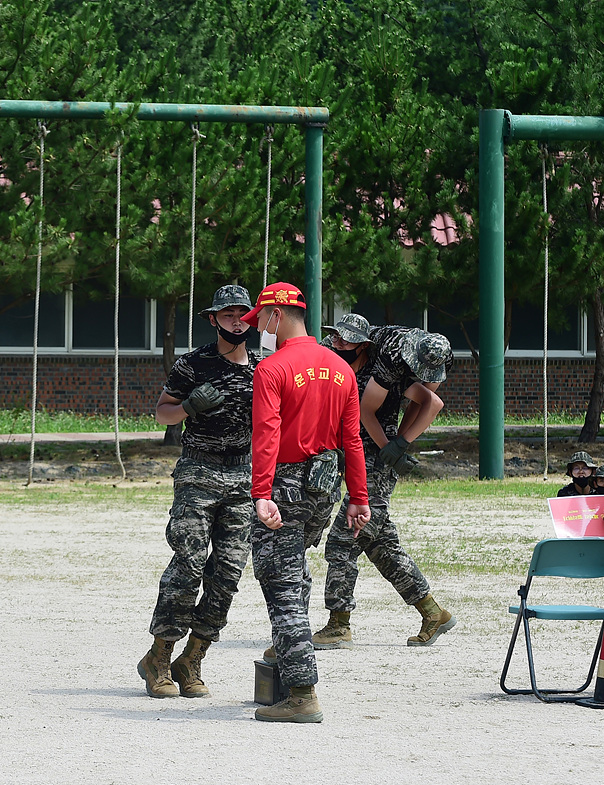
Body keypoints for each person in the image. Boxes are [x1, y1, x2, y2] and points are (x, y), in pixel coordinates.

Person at [245, 282, 370, 723]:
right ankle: (283, 665)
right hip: (324, 486)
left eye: (259, 318)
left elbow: (267, 435)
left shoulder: (272, 368)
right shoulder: (341, 369)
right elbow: (352, 439)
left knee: (281, 586)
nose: (258, 327)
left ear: (276, 315)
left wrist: (261, 493)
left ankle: (301, 694)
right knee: (294, 570)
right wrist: (359, 497)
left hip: (283, 485)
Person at [137, 285, 258, 699]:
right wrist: (188, 408)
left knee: (227, 573)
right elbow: (161, 412)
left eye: (243, 313)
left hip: (244, 477)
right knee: (188, 564)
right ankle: (158, 657)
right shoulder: (193, 365)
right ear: (213, 319)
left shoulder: (265, 368)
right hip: (198, 473)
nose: (236, 320)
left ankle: (191, 660)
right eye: (228, 314)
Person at [312, 319, 455, 649]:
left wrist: (398, 444)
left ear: (364, 345)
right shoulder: (340, 361)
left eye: (348, 344)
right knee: (380, 545)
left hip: (374, 462)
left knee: (344, 539)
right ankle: (433, 612)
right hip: (352, 455)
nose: (339, 347)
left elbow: (429, 402)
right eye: (336, 340)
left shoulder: (393, 367)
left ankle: (338, 624)